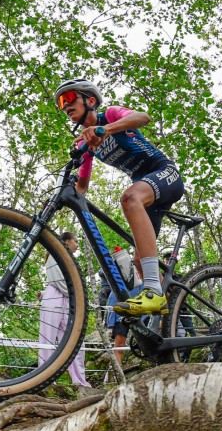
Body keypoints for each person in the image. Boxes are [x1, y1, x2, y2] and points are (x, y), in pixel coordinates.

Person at [54, 79, 185, 316]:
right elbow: (82, 187)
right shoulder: (88, 144)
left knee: (128, 198)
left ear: (90, 101)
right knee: (139, 260)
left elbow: (143, 117)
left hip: (165, 174)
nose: (65, 106)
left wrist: (104, 129)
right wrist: (57, 200)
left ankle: (154, 293)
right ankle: (169, 319)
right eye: (61, 105)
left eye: (69, 98)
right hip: (148, 194)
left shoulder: (111, 116)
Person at [37, 232, 90, 387]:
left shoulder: (69, 258)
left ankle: (79, 380)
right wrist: (78, 295)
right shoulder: (54, 254)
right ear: (67, 241)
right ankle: (44, 378)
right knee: (48, 338)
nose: (78, 245)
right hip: (57, 298)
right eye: (75, 241)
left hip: (68, 300)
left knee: (75, 339)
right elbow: (59, 282)